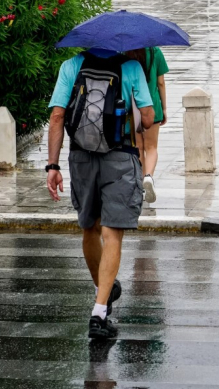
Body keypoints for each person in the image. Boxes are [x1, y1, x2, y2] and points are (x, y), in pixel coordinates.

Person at [46, 47, 154, 339]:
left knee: (90, 228)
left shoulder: (71, 65)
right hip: (120, 157)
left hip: (81, 157)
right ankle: (99, 310)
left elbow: (57, 117)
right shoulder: (131, 68)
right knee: (112, 233)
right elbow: (147, 118)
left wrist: (52, 166)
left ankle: (102, 290)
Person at [125, 47, 169, 204]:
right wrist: (164, 108)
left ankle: (141, 183)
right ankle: (149, 177)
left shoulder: (125, 52)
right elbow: (161, 82)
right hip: (152, 106)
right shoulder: (155, 52)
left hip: (134, 106)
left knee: (138, 147)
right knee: (152, 147)